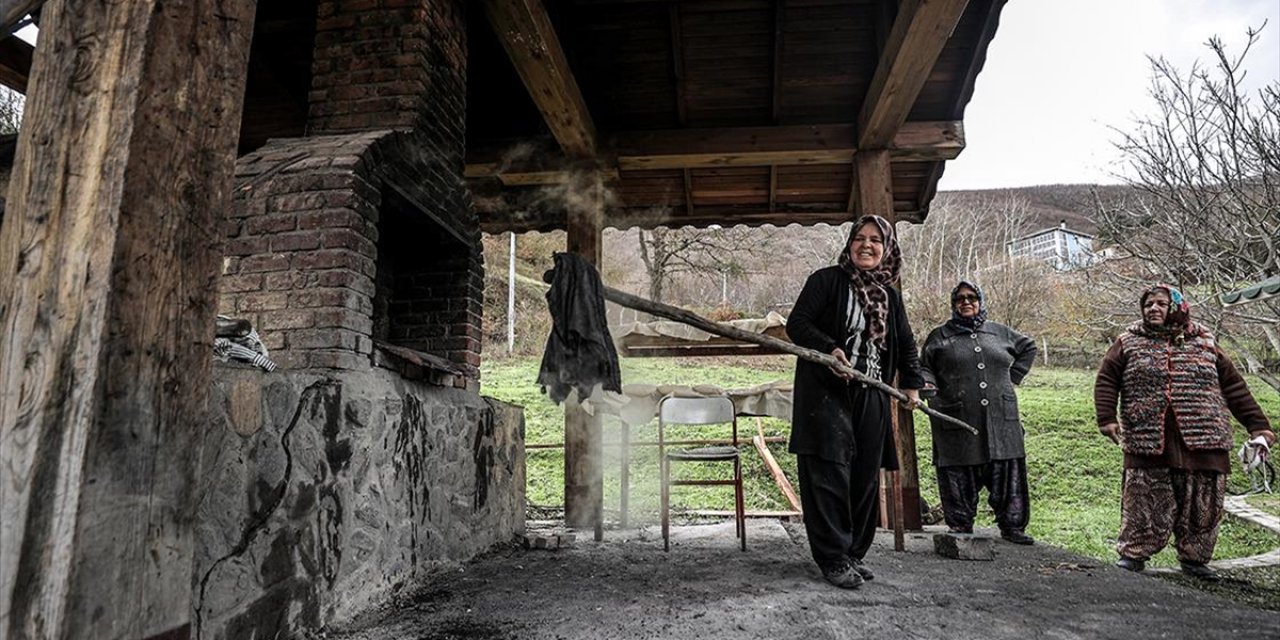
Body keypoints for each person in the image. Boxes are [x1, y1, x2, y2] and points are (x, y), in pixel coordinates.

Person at [1094, 284, 1275, 580]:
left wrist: (1259, 427)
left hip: (1205, 438)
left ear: (1177, 308)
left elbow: (1234, 387)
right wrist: (1106, 418)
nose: (1153, 308)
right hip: (1148, 438)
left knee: (1202, 503)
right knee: (1143, 499)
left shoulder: (1204, 341)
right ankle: (1133, 555)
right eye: (1148, 304)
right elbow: (1106, 379)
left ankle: (1195, 559)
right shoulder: (1128, 341)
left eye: (1161, 304)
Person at [786, 214, 924, 589]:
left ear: (887, 249)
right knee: (829, 475)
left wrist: (911, 384)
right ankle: (831, 558)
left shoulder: (890, 296)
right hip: (827, 392)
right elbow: (797, 324)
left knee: (863, 478)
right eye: (859, 238)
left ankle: (852, 553)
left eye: (876, 240)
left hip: (872, 394)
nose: (867, 245)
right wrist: (829, 350)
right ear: (849, 244)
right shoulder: (826, 281)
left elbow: (907, 344)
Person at [920, 281, 1038, 544]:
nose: (966, 302)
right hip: (957, 416)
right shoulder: (939, 336)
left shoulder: (999, 332)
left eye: (971, 297)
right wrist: (928, 384)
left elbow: (1029, 347)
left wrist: (1014, 376)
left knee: (1007, 467)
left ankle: (1013, 526)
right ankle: (960, 524)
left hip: (1001, 416)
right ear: (953, 304)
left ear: (980, 301)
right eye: (960, 298)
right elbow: (924, 366)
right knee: (958, 468)